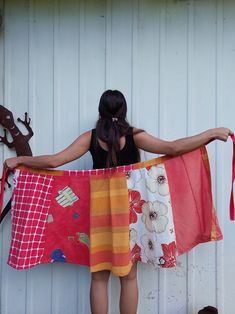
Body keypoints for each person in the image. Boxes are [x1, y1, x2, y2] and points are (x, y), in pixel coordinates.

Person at [4, 90, 232, 314]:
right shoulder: (134, 135)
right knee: (129, 276)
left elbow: (55, 161)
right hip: (129, 210)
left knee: (99, 277)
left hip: (97, 210)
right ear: (123, 110)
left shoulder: (90, 137)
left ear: (100, 110)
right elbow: (173, 148)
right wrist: (210, 134)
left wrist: (21, 159)